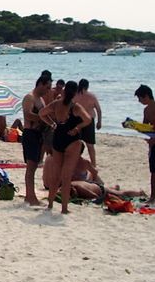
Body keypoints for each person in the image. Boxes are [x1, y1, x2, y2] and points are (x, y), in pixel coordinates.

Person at [39, 81, 93, 214]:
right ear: (75, 92)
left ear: (64, 91)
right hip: (72, 139)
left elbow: (41, 113)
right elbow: (88, 119)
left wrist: (52, 124)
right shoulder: (75, 107)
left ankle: (50, 204)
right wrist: (77, 127)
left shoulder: (56, 104)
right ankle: (64, 208)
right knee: (66, 176)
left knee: (56, 175)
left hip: (58, 137)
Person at [21, 74, 51, 206]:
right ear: (41, 84)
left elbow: (43, 114)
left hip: (39, 134)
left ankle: (30, 195)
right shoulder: (30, 97)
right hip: (30, 134)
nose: (48, 90)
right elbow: (28, 114)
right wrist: (42, 118)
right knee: (31, 166)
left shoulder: (41, 99)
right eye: (47, 87)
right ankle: (30, 196)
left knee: (34, 166)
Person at [74, 78, 103, 166]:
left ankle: (74, 161)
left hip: (77, 120)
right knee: (90, 145)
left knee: (75, 143)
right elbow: (98, 110)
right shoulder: (92, 96)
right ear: (87, 86)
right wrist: (99, 122)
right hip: (89, 120)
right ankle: (93, 164)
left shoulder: (75, 95)